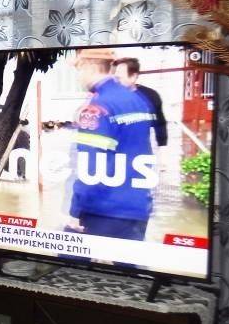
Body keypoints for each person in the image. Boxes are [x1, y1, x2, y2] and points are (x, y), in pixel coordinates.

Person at [67, 48, 157, 242]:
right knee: (128, 261)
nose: (77, 77)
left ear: (89, 67)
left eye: (78, 70)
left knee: (69, 254)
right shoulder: (138, 100)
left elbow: (91, 166)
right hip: (138, 206)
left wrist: (75, 210)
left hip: (104, 210)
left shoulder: (97, 107)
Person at [113, 57, 168, 147]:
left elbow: (160, 124)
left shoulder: (151, 96)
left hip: (142, 149)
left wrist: (162, 146)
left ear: (133, 77)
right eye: (114, 78)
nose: (115, 82)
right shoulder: (109, 97)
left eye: (119, 78)